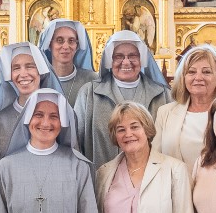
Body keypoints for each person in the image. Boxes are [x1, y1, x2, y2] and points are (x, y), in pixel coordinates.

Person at [73, 30, 171, 164]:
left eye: (132, 56)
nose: (126, 62)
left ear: (141, 59)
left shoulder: (162, 94)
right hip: (101, 174)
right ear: (109, 60)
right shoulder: (89, 93)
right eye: (118, 56)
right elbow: (76, 141)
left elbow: (170, 142)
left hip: (152, 174)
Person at [0, 42, 59, 181]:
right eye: (16, 68)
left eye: (30, 66)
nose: (23, 74)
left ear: (41, 70)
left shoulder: (61, 116)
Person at [154, 44, 216, 168]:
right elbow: (155, 158)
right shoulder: (165, 112)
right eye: (191, 72)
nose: (198, 77)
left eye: (206, 72)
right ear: (183, 78)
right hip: (174, 180)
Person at [39, 18, 97, 105]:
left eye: (71, 41)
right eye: (59, 40)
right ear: (49, 45)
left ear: (77, 46)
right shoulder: (39, 81)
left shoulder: (92, 80)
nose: (66, 46)